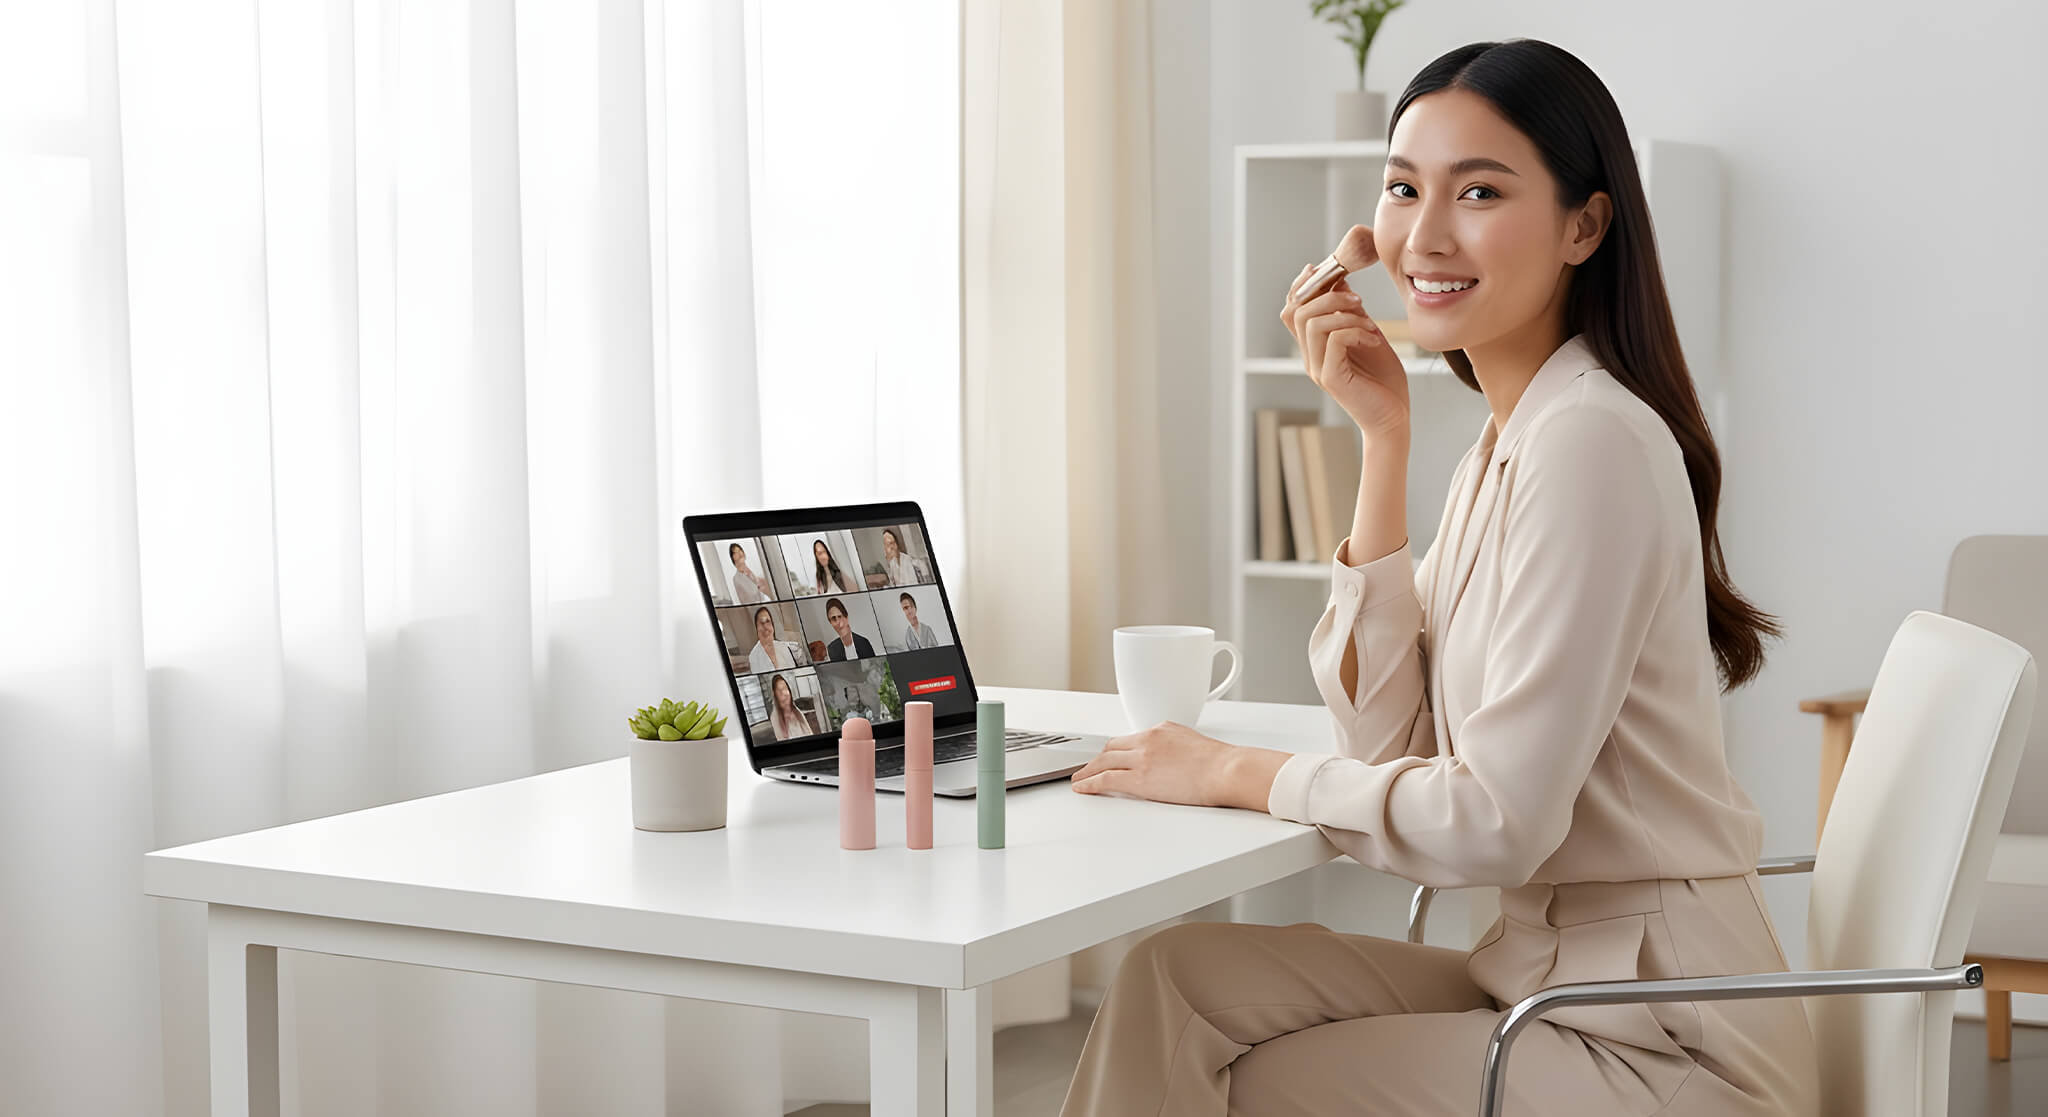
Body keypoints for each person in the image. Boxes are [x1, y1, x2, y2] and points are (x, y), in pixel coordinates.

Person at [1059, 39, 1819, 1117]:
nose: (1424, 234)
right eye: (1404, 188)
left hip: (1663, 1040)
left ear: (1583, 226)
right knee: (1175, 982)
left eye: (1478, 191)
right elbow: (1393, 753)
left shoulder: (1589, 440)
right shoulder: (1507, 441)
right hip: (1546, 979)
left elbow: (1493, 825)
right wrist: (1380, 437)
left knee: (1246, 1083)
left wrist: (1234, 769)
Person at [745, 607, 804, 674]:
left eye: (768, 621)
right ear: (757, 628)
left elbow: (795, 672)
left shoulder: (783, 647)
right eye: (761, 623)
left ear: (772, 626)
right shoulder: (753, 656)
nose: (765, 627)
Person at [823, 597, 875, 661]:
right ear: (831, 623)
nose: (838, 622)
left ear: (846, 618)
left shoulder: (864, 643)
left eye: (840, 616)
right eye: (833, 619)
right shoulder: (832, 648)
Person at [766, 673, 814, 740]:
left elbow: (810, 734)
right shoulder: (775, 718)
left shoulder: (797, 712)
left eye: (785, 688)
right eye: (780, 691)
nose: (784, 694)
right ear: (775, 695)